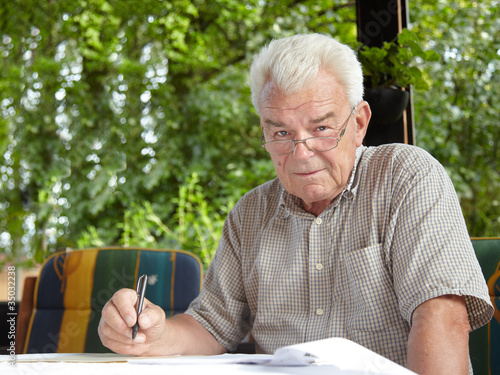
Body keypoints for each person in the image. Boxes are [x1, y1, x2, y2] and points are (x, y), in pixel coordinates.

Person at [98, 34, 493, 374]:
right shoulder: (249, 215)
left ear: (358, 124)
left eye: (321, 129)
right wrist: (154, 334)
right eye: (282, 133)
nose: (301, 154)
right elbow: (212, 327)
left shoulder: (405, 177)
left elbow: (440, 316)